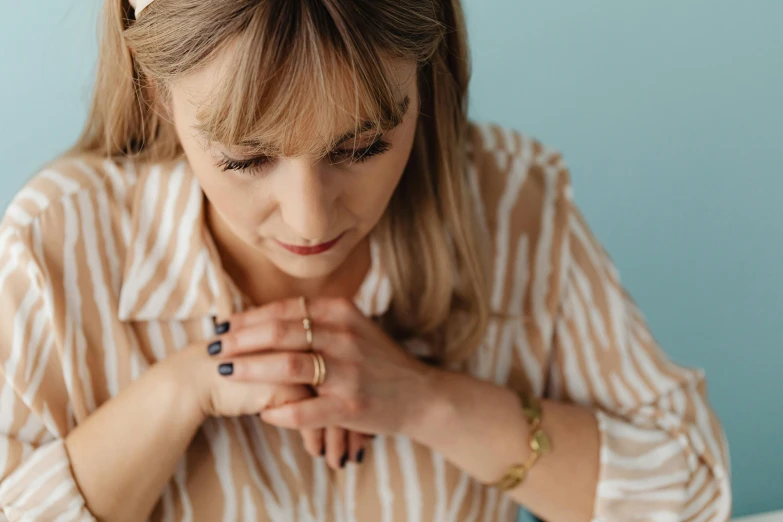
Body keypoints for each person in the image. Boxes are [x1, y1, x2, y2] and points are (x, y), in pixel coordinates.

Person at [0, 0, 731, 520]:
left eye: (360, 147)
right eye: (247, 159)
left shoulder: (514, 206)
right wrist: (185, 388)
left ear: (426, 72)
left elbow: (693, 494)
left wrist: (423, 399)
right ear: (155, 94)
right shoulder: (59, 243)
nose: (311, 219)